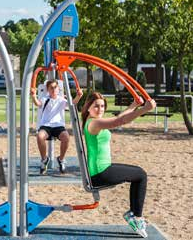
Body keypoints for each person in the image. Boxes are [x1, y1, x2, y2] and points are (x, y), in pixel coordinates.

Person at [81, 92, 156, 238]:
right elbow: (118, 122)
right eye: (96, 106)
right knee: (141, 175)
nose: (100, 109)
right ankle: (137, 217)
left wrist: (134, 105)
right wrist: (144, 109)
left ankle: (134, 214)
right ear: (88, 108)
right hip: (100, 173)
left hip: (100, 169)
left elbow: (118, 119)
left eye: (102, 106)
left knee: (138, 174)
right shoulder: (94, 123)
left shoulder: (93, 120)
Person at [31, 79, 83, 174]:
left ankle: (61, 159)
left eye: (55, 87)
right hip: (46, 125)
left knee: (66, 137)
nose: (54, 89)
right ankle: (44, 160)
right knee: (40, 136)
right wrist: (34, 96)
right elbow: (37, 104)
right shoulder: (45, 99)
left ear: (58, 88)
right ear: (48, 90)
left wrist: (79, 96)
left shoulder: (61, 100)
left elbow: (72, 103)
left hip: (58, 125)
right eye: (51, 88)